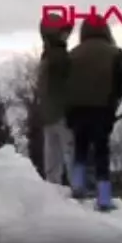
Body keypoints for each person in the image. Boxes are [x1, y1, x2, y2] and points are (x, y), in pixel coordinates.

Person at [64, 17, 122, 211]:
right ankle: (103, 198)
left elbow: (64, 85)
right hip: (102, 109)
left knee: (80, 149)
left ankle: (77, 187)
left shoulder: (72, 55)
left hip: (77, 109)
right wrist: (112, 100)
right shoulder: (115, 53)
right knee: (102, 152)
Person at [37, 12, 74, 186]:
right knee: (70, 153)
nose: (67, 35)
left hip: (50, 113)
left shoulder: (48, 56)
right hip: (62, 113)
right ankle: (79, 189)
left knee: (53, 161)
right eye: (63, 32)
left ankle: (54, 193)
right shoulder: (60, 56)